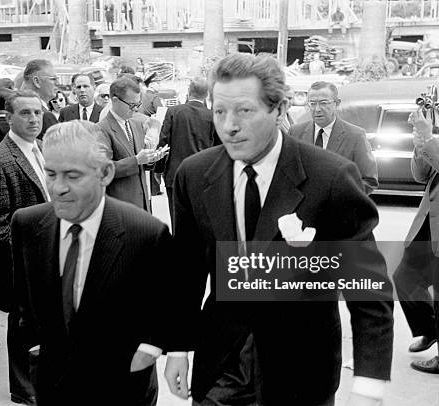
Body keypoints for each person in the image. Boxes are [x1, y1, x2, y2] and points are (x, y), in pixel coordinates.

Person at [164, 53, 393, 406]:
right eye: (220, 111)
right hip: (222, 362)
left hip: (302, 365)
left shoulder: (329, 177)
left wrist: (369, 381)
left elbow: (367, 285)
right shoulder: (194, 175)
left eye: (244, 110)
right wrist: (178, 346)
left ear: (279, 108)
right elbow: (186, 268)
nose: (229, 126)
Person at [12, 120, 171, 405]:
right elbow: (25, 298)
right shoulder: (27, 223)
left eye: (72, 176)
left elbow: (166, 306)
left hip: (123, 386)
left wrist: (148, 349)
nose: (58, 187)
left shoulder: (146, 232)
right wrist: (36, 347)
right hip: (53, 381)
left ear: (106, 173)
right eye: (50, 174)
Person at [0, 90, 49, 406]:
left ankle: (42, 378)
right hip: (25, 258)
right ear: (9, 117)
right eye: (25, 113)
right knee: (22, 324)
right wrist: (24, 253)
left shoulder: (40, 148)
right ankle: (22, 388)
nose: (33, 119)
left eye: (37, 112)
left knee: (44, 321)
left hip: (50, 250)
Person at [393, 70, 439, 375]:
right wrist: (421, 143)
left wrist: (428, 138)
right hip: (430, 222)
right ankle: (431, 328)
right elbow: (420, 175)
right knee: (405, 277)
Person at [289, 81, 378, 194]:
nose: (317, 109)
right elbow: (287, 175)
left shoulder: (355, 136)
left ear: (337, 104)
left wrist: (339, 196)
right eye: (312, 103)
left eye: (324, 103)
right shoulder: (295, 133)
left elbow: (369, 181)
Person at [97, 76, 167, 212]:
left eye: (138, 105)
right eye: (132, 105)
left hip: (142, 203)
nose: (135, 109)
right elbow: (103, 170)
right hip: (120, 206)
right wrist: (136, 160)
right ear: (115, 100)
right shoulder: (101, 129)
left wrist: (151, 159)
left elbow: (142, 164)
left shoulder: (136, 124)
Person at [155, 77, 218, 224]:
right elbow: (218, 148)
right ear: (206, 95)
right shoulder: (212, 116)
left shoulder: (173, 112)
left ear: (189, 92)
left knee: (178, 221)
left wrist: (158, 170)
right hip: (203, 176)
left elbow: (164, 143)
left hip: (175, 174)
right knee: (200, 221)